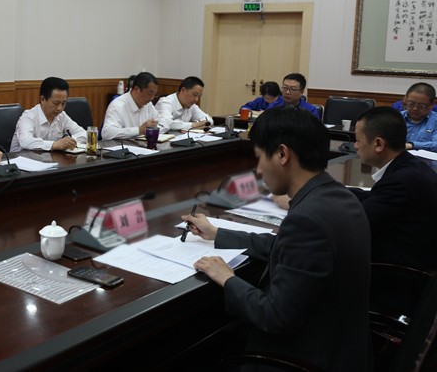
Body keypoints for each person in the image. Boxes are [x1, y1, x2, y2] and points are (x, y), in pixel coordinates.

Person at [182, 107, 371, 370]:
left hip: (305, 358)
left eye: (260, 158)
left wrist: (227, 278)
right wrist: (218, 234)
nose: (259, 170)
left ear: (282, 154)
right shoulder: (339, 197)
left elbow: (274, 317)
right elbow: (282, 247)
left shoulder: (308, 220)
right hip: (342, 346)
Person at [350, 106, 437, 271]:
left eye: (358, 140)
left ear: (378, 144)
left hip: (400, 273)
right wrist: (335, 191)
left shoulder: (402, 181)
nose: (355, 146)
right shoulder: (409, 165)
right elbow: (374, 198)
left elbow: (356, 223)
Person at [10, 77, 86, 152]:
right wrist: (55, 144)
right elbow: (25, 141)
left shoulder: (61, 116)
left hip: (48, 159)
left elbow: (84, 134)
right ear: (42, 99)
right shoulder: (28, 117)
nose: (59, 108)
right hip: (22, 158)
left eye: (63, 103)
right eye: (56, 103)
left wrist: (70, 141)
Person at [101, 72, 162, 140]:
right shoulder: (118, 105)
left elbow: (160, 122)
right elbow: (107, 133)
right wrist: (139, 130)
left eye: (154, 95)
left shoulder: (148, 105)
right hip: (120, 146)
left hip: (141, 145)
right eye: (150, 93)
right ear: (136, 89)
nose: (152, 98)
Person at [399, 82, 437, 151]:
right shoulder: (396, 117)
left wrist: (412, 145)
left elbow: (436, 144)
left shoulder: (435, 120)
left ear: (432, 104)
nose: (415, 109)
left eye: (421, 106)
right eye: (411, 104)